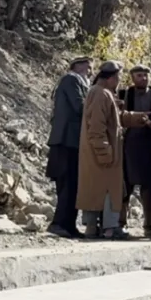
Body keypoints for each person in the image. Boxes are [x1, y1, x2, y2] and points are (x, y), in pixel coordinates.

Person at [76, 61, 151, 240]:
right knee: (108, 191)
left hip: (100, 153)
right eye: (117, 78)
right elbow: (97, 128)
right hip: (102, 154)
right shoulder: (101, 95)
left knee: (95, 190)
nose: (119, 81)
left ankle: (93, 229)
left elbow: (115, 119)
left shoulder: (101, 93)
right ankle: (109, 229)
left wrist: (138, 118)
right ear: (110, 78)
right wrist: (105, 152)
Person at [45, 56, 92, 238]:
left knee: (72, 185)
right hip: (66, 141)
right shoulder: (71, 79)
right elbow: (79, 106)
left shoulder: (74, 81)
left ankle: (69, 225)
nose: (90, 72)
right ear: (78, 67)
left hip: (71, 141)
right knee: (67, 184)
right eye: (88, 68)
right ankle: (59, 223)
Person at [118, 66, 151, 234]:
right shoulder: (125, 94)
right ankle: (121, 222)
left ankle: (149, 225)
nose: (143, 78)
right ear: (132, 78)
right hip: (129, 146)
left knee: (148, 189)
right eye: (139, 75)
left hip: (148, 146)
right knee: (125, 186)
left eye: (145, 75)